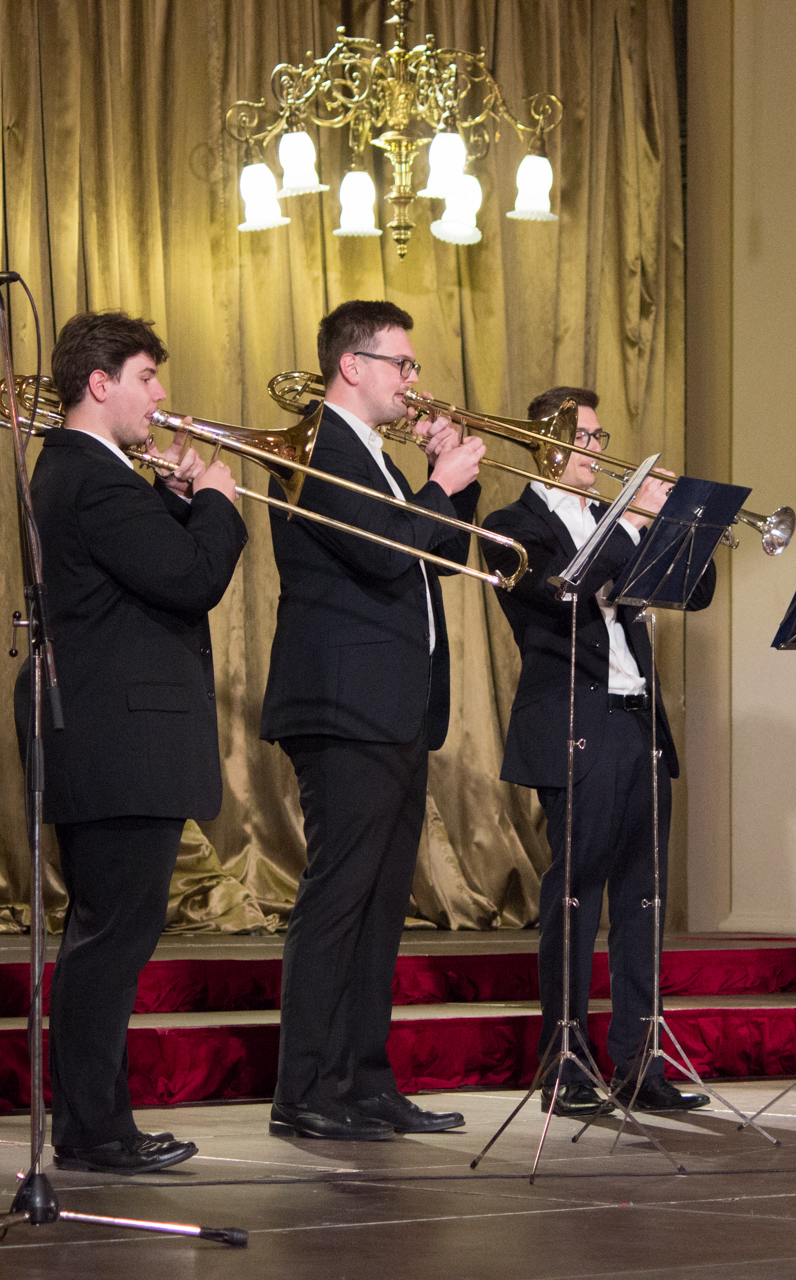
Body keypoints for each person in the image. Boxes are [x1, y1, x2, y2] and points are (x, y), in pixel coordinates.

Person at [12, 310, 247, 1174]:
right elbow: (190, 578)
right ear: (100, 383)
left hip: (110, 734)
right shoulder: (91, 475)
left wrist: (174, 502)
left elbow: (142, 573)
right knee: (112, 940)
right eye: (147, 377)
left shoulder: (92, 474)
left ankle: (96, 1122)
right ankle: (94, 1128)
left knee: (108, 936)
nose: (162, 394)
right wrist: (216, 502)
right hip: (118, 737)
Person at [259, 300, 487, 1141]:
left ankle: (363, 1081)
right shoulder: (317, 446)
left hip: (391, 705)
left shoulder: (378, 458)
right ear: (352, 365)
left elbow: (440, 557)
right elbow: (383, 552)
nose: (414, 381)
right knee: (339, 898)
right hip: (343, 703)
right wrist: (439, 486)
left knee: (383, 903)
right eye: (403, 363)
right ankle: (305, 1090)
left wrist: (453, 484)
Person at [480, 387, 715, 1117]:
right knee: (576, 897)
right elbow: (566, 594)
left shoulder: (614, 521)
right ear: (543, 443)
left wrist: (675, 524)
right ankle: (566, 1065)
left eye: (597, 435)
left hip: (639, 722)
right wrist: (631, 520)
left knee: (644, 899)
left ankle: (640, 1063)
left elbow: (696, 590)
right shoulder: (513, 525)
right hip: (575, 724)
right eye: (581, 436)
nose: (594, 448)